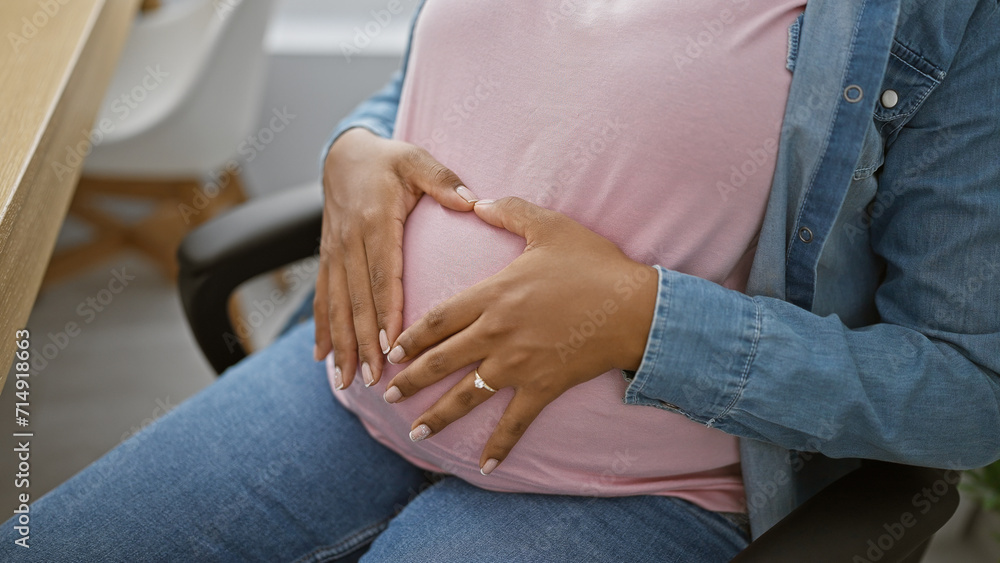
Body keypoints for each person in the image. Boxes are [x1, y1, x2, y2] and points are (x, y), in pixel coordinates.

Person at [3, 1, 999, 561]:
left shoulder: (930, 19)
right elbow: (446, 83)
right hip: (352, 388)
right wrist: (355, 147)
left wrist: (643, 321)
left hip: (637, 486)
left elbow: (969, 384)